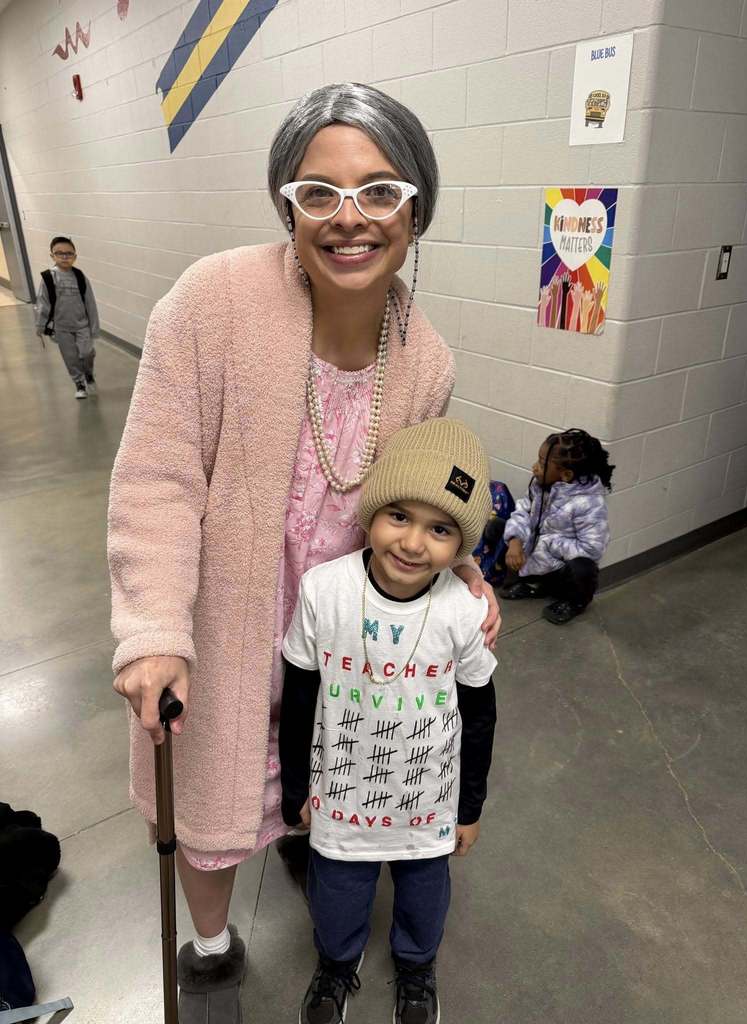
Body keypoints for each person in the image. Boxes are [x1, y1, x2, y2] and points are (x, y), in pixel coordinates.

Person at [107, 83, 501, 1023]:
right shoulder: (212, 302)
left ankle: (307, 833)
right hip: (229, 620)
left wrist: (467, 568)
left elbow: (426, 489)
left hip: (350, 629)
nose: (349, 219)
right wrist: (156, 629)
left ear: (418, 209)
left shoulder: (427, 354)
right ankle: (210, 945)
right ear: (287, 205)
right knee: (206, 812)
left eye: (379, 191)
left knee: (322, 769)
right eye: (317, 193)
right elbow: (156, 478)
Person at [279, 418, 497, 1024]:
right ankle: (336, 965)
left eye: (440, 529)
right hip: (341, 797)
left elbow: (479, 714)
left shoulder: (464, 610)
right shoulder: (326, 590)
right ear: (371, 514)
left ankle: (417, 969)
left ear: (460, 545)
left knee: (425, 899)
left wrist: (470, 807)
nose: (412, 542)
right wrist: (297, 786)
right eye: (398, 515)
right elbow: (299, 695)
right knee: (338, 898)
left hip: (428, 801)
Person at [500, 428, 613, 624]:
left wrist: (547, 542)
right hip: (538, 557)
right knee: (498, 526)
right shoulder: (540, 485)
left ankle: (574, 602)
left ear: (566, 475)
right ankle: (536, 585)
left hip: (560, 566)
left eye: (542, 464)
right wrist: (515, 541)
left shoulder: (589, 503)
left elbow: (592, 548)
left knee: (583, 568)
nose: (534, 467)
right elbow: (522, 511)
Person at [34, 236, 100, 399]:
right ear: (52, 256)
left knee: (87, 353)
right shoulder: (48, 278)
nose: (64, 257)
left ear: (75, 256)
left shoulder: (80, 277)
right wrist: (40, 325)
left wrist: (94, 327)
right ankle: (79, 383)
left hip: (82, 325)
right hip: (61, 327)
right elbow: (43, 303)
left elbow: (90, 303)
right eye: (60, 253)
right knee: (70, 357)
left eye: (69, 254)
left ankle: (88, 373)